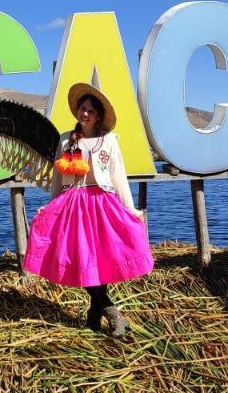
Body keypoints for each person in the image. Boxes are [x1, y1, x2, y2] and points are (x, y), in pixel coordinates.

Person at [23, 83, 154, 336]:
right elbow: (58, 179)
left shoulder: (109, 140)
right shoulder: (65, 139)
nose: (85, 114)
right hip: (72, 205)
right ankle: (111, 312)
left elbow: (118, 176)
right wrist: (51, 207)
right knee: (82, 258)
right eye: (82, 109)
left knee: (100, 258)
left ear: (98, 116)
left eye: (91, 111)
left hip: (102, 204)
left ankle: (95, 315)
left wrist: (130, 208)